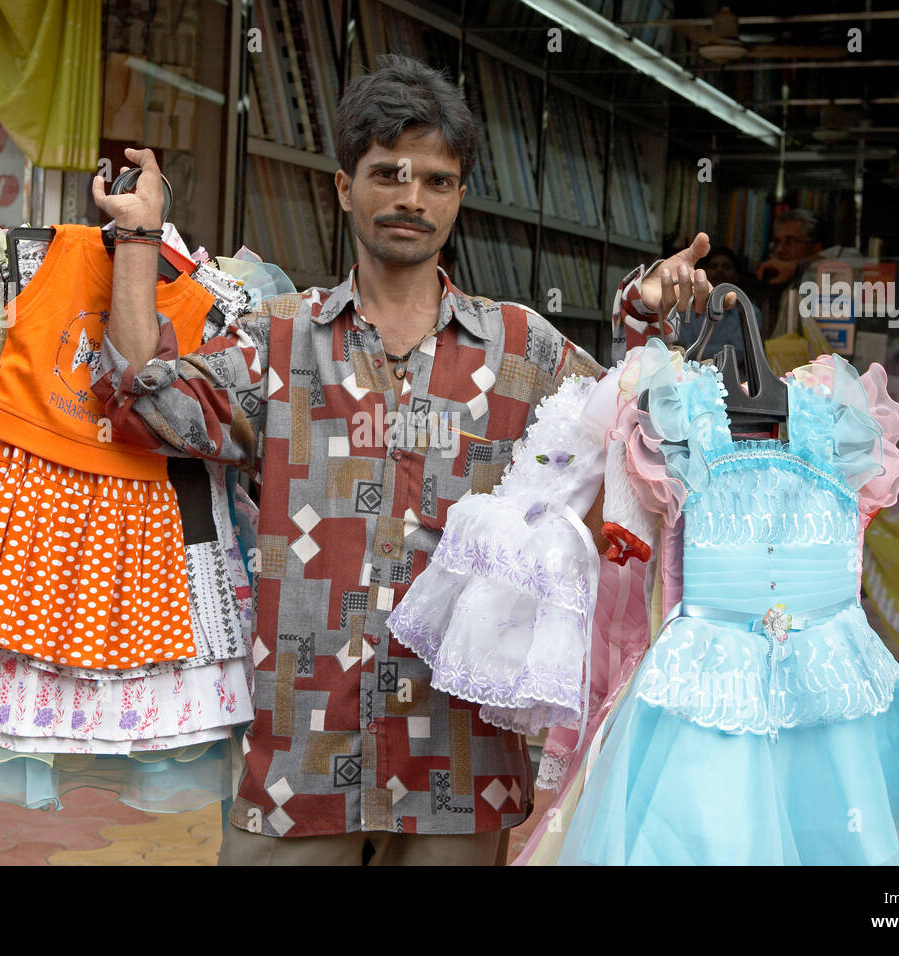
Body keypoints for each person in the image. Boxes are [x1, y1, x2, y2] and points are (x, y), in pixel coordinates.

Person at [90, 53, 723, 866]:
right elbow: (152, 402)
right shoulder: (277, 340)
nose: (411, 198)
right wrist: (138, 237)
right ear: (344, 186)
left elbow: (632, 433)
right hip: (299, 758)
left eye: (436, 179)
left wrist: (647, 315)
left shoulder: (523, 350)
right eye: (388, 172)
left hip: (461, 761)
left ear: (459, 197)